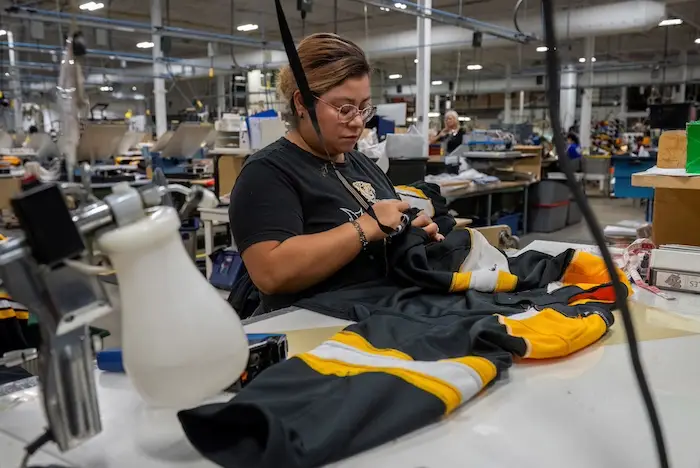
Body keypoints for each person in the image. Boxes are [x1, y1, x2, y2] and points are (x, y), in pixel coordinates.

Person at [228, 33, 442, 312]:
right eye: (344, 109)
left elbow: (385, 231)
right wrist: (365, 227)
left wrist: (412, 235)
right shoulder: (267, 173)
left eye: (364, 109)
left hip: (382, 313)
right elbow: (271, 272)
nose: (357, 122)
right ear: (302, 104)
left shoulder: (362, 164)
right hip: (315, 332)